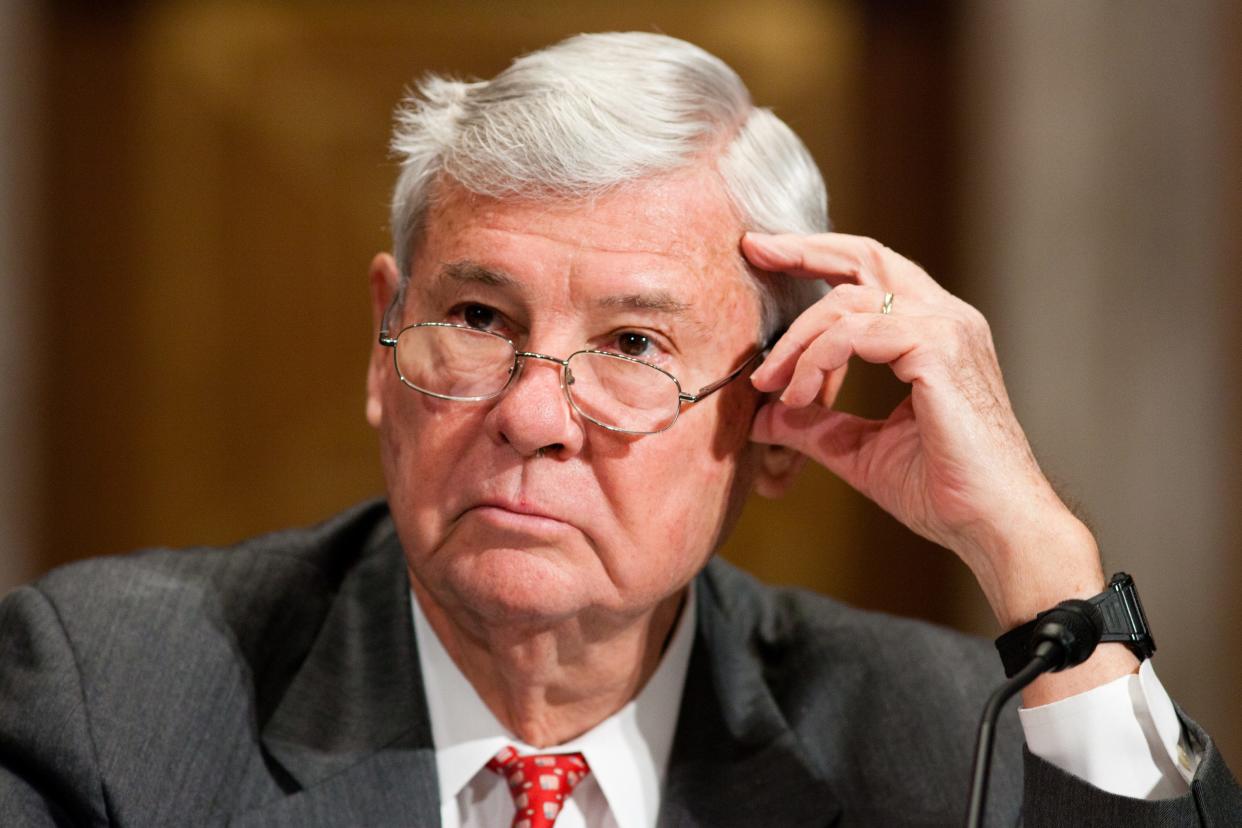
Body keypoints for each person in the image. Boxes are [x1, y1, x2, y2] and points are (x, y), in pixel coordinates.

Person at [1, 31, 1238, 827]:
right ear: (385, 340)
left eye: (635, 345)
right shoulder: (112, 697)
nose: (534, 415)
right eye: (478, 316)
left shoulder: (922, 732)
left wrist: (1041, 561)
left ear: (774, 410)